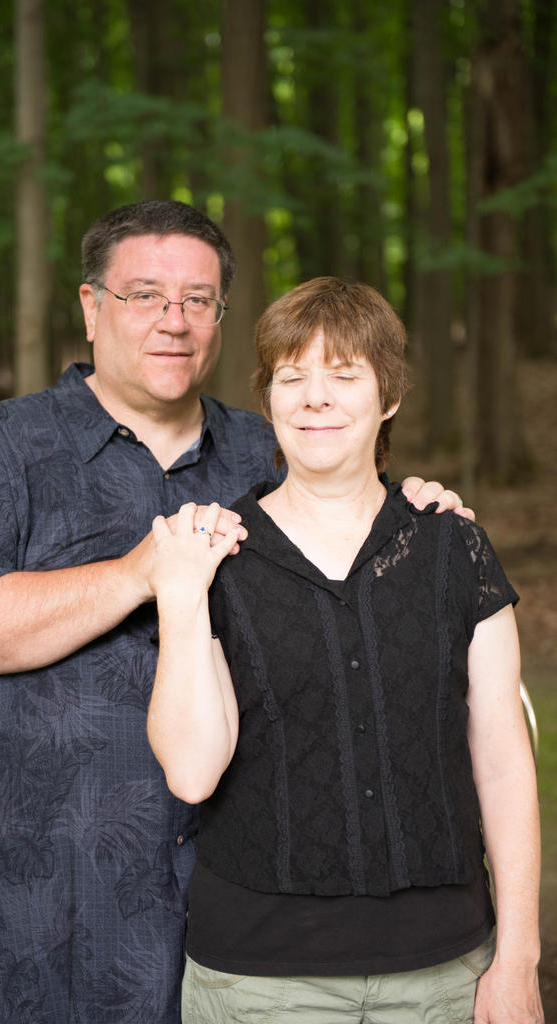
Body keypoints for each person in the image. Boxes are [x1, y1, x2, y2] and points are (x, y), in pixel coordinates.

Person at [0, 201, 470, 1024]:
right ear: (92, 307)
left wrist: (417, 512)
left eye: (198, 300)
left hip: (237, 907)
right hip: (40, 903)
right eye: (145, 295)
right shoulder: (7, 448)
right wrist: (138, 573)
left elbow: (363, 572)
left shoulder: (266, 454)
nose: (174, 320)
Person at [147, 276, 543, 1024]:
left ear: (388, 395)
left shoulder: (454, 549)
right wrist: (179, 593)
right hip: (260, 982)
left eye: (343, 375)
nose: (315, 399)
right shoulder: (217, 557)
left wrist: (519, 957)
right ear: (269, 398)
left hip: (445, 972)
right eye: (292, 377)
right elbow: (193, 773)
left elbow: (502, 763)